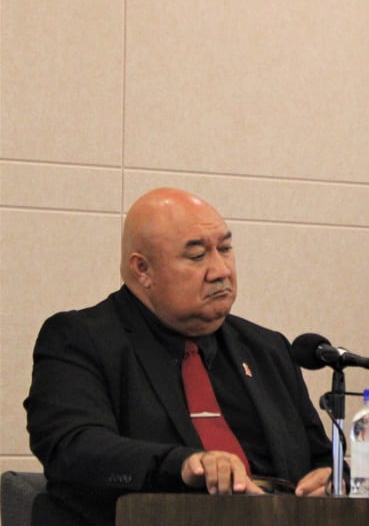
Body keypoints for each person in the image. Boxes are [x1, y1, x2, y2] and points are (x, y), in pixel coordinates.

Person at [24, 188, 334, 525]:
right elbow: (73, 448)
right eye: (198, 256)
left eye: (226, 249)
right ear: (143, 269)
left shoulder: (267, 349)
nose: (221, 271)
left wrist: (331, 477)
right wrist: (184, 464)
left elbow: (319, 457)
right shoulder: (81, 338)